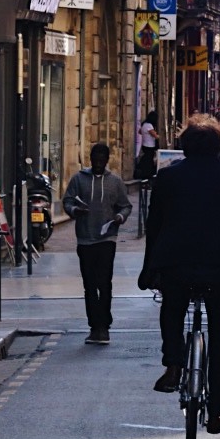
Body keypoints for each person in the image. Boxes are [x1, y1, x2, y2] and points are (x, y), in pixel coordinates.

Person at [140, 115, 220, 434]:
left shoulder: (168, 178)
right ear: (219, 147)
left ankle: (173, 362)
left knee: (172, 308)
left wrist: (150, 269)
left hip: (178, 263)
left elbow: (155, 227)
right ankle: (217, 407)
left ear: (184, 146)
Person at [63, 144, 132, 344]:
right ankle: (95, 325)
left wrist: (120, 216)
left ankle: (104, 325)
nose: (99, 164)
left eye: (103, 160)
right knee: (90, 285)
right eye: (96, 160)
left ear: (107, 160)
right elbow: (67, 201)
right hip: (85, 239)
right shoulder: (79, 179)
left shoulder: (115, 182)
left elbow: (125, 205)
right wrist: (75, 211)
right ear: (91, 159)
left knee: (105, 283)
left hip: (107, 239)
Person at [136, 110, 159, 179]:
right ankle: (147, 174)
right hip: (149, 145)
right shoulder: (149, 125)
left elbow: (139, 131)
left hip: (144, 144)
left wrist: (145, 134)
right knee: (148, 161)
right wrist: (158, 136)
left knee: (147, 159)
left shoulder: (144, 124)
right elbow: (155, 135)